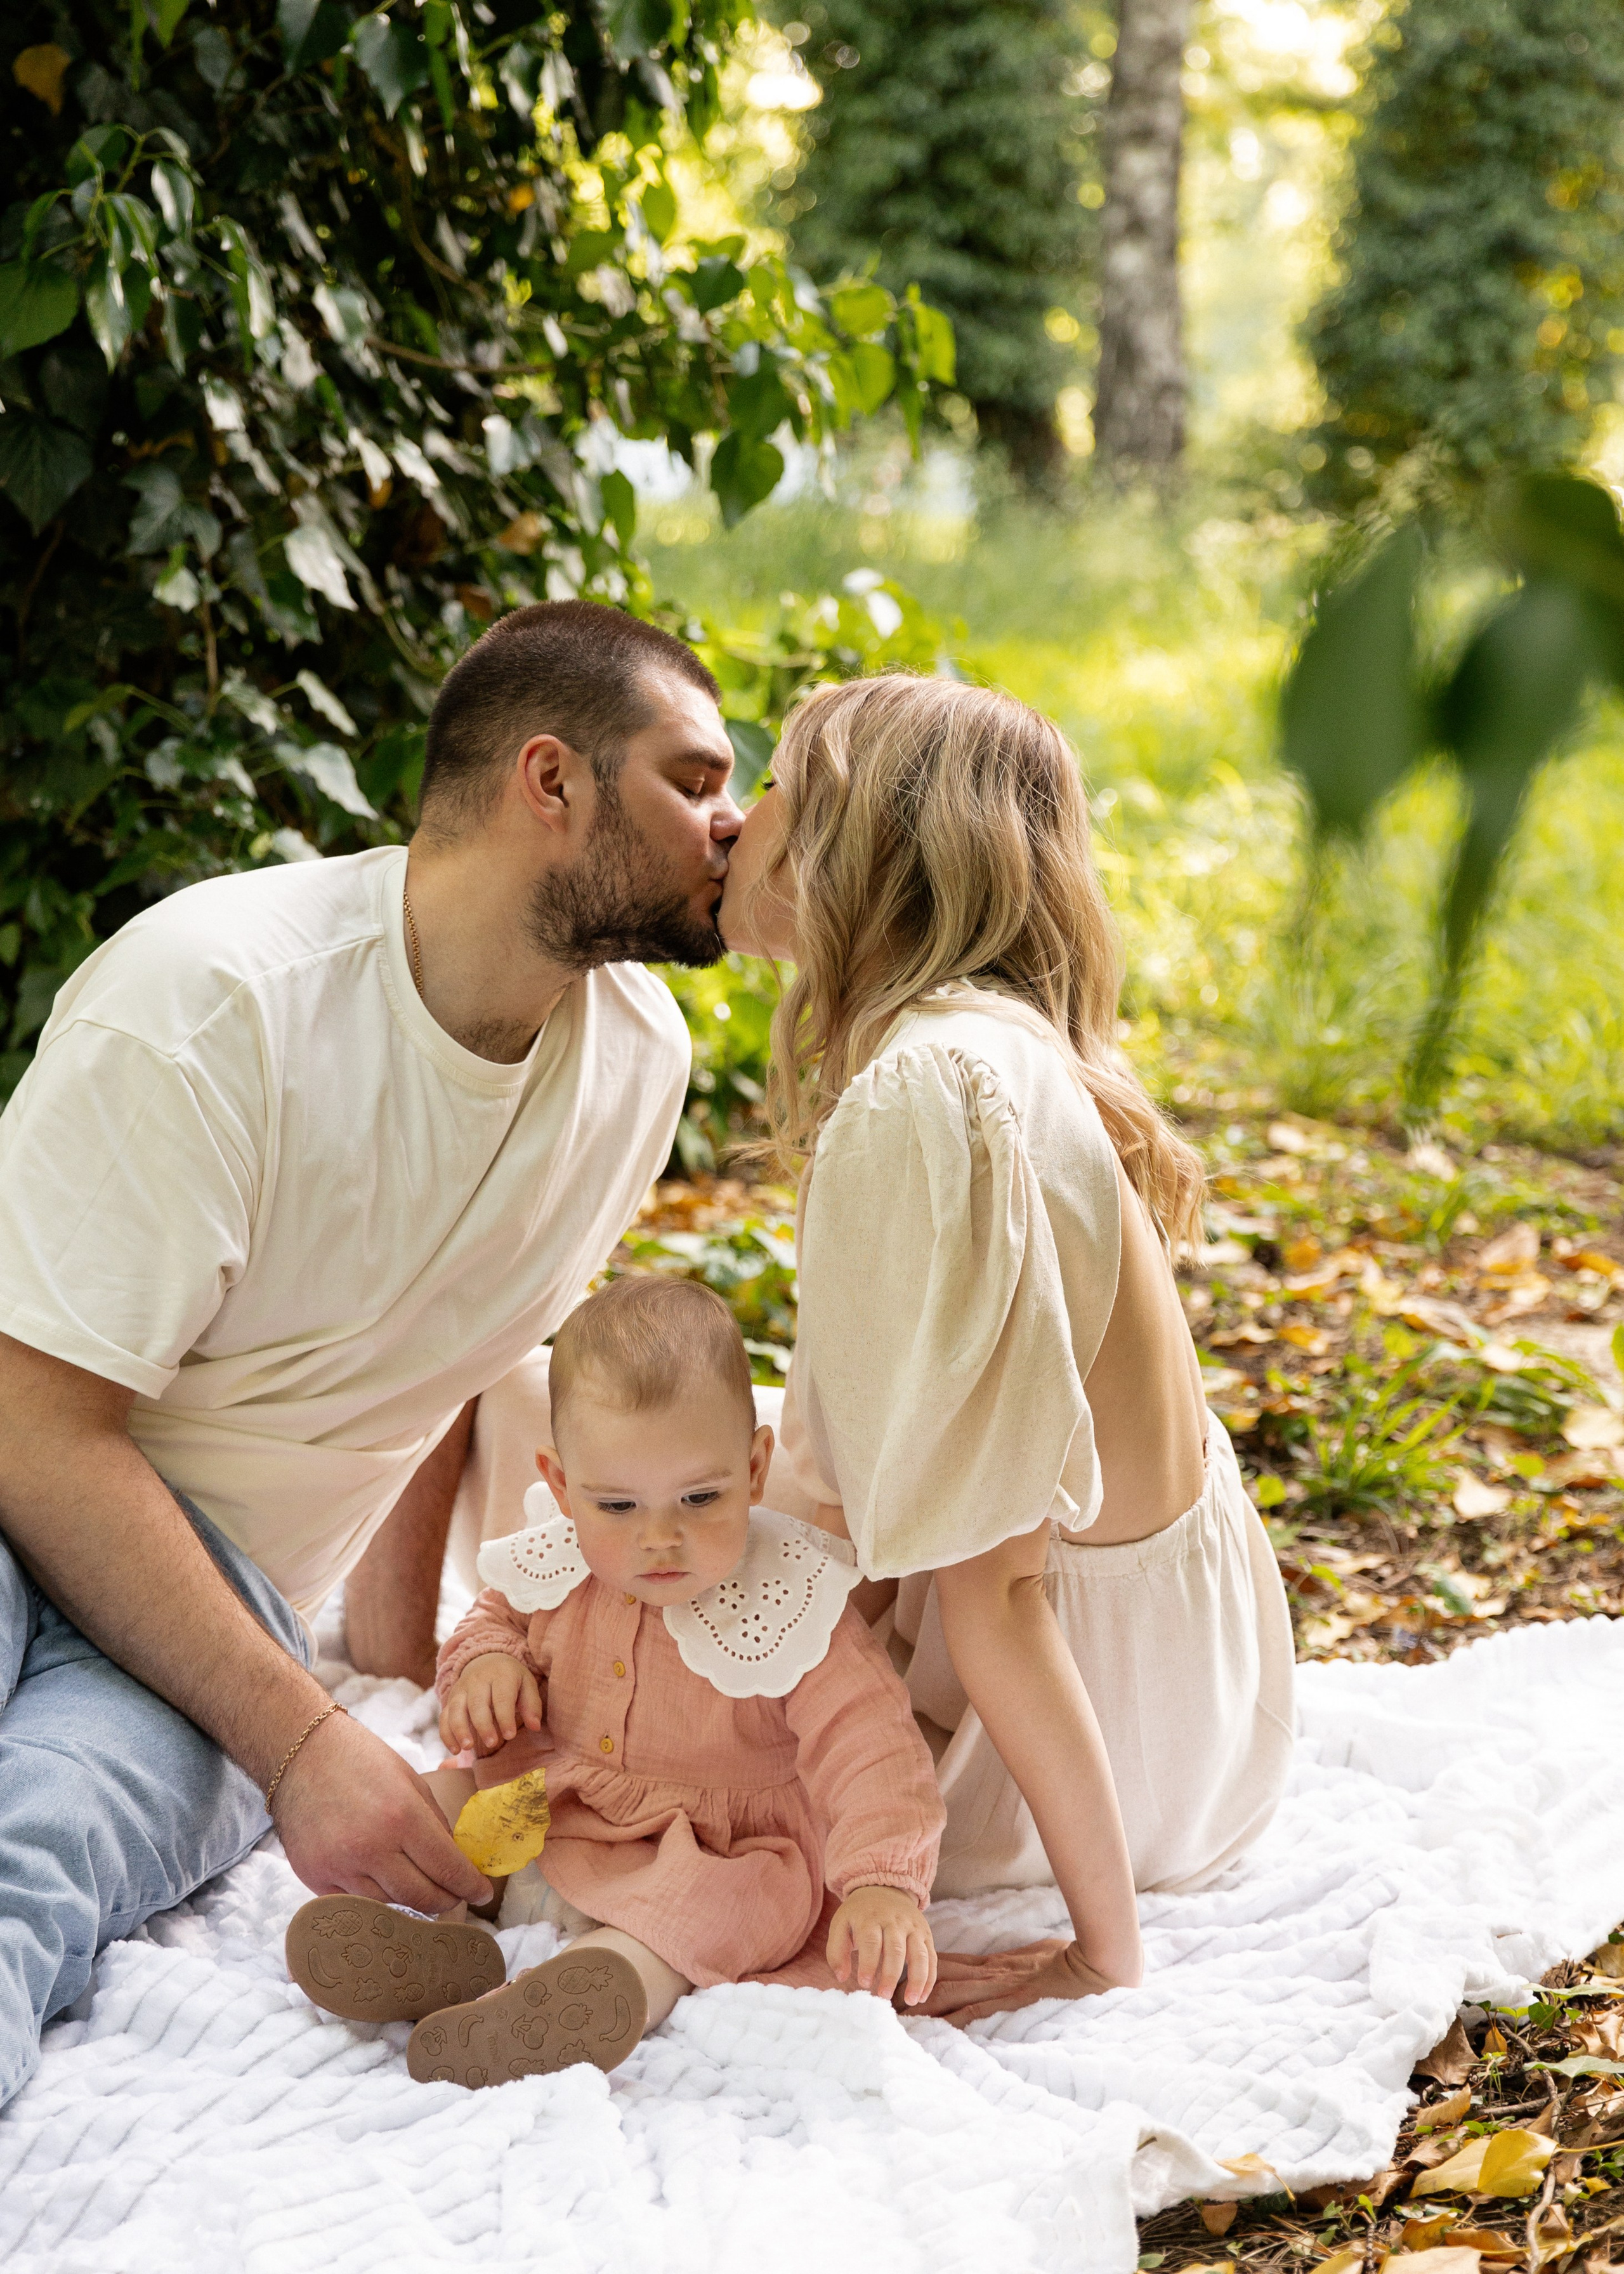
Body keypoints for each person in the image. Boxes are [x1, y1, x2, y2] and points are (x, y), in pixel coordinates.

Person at [0, 600, 745, 2106]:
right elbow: (31, 1423)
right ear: (553, 782)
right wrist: (301, 1740)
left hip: (216, 1618)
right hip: (22, 1501)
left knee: (42, 1862)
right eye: (696, 777)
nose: (736, 824)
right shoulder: (215, 1004)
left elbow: (464, 1341)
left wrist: (384, 1650)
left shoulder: (637, 1063)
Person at [718, 673, 1296, 2023]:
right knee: (660, 1473)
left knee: (619, 1571)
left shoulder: (926, 1096)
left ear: (849, 847)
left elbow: (1000, 1591)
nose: (737, 821)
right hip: (1194, 1681)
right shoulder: (999, 1045)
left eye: (772, 784)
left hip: (1088, 1739)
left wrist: (1098, 1953)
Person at [285, 1277, 945, 2089]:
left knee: (706, 1911)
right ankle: (429, 1938)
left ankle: (596, 1988)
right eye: (618, 1504)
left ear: (755, 1466)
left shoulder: (793, 1603)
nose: (660, 1536)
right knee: (444, 1802)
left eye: (701, 1497)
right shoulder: (556, 1563)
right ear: (563, 1487)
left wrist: (883, 1881)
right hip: (553, 1797)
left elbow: (874, 1747)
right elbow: (489, 1622)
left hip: (719, 1845)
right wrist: (486, 1668)